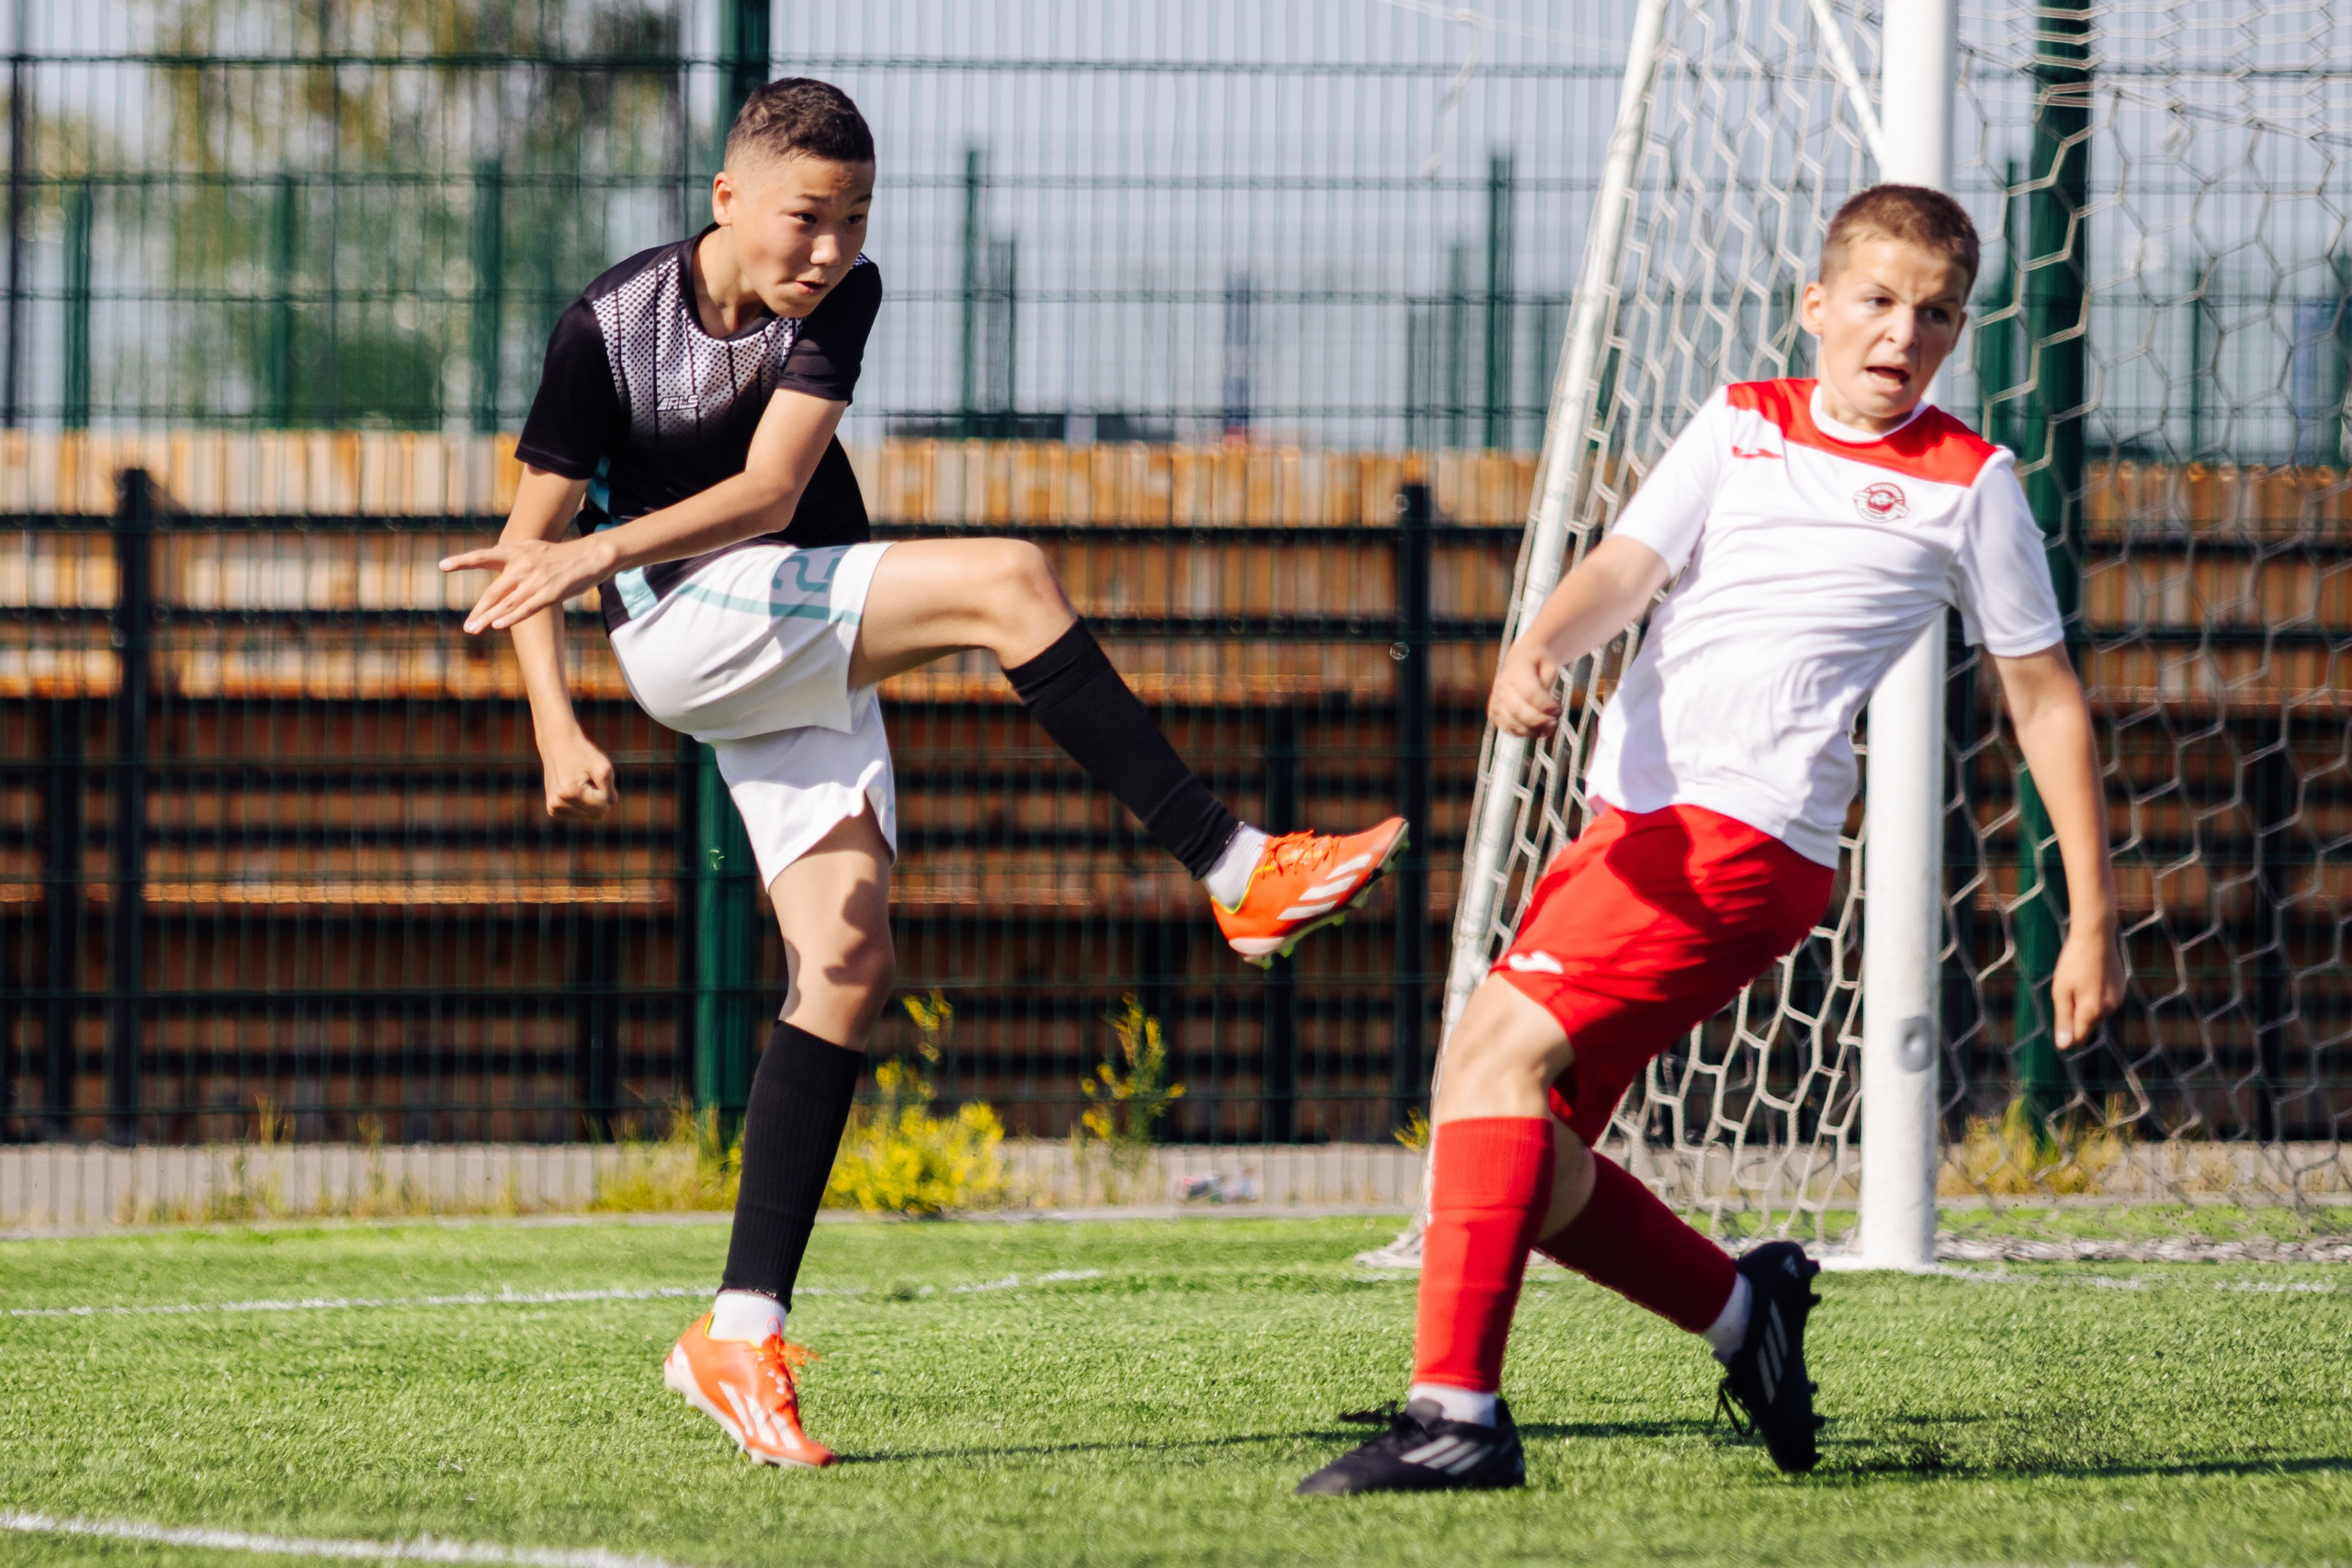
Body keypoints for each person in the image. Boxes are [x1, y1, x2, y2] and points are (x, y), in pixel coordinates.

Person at [443, 77, 1406, 1471]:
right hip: (684, 631)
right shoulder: (607, 326)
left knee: (844, 960)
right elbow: (527, 546)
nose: (827, 252)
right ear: (727, 201)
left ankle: (735, 1332)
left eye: (852, 222)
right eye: (803, 220)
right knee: (1009, 582)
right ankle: (1237, 866)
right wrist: (555, 720)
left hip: (787, 616)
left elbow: (774, 492)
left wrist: (591, 554)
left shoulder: (841, 298)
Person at [1295, 184, 2124, 1495]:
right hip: (1629, 834)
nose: (1900, 334)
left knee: (1484, 1060)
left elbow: (2044, 697)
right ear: (1817, 305)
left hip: (1744, 841)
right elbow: (1632, 562)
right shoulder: (1740, 423)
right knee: (1531, 1148)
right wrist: (1543, 644)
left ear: (1958, 333)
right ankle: (1748, 1318)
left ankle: (1456, 1417)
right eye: (1876, 300)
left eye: (1935, 316)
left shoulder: (1975, 485)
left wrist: (2088, 913)